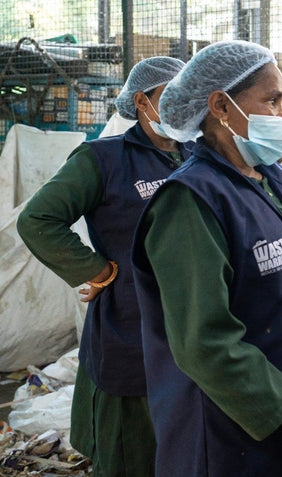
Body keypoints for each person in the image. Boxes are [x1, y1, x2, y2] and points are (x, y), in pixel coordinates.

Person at [130, 40, 282, 477]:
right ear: (221, 107)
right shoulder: (192, 199)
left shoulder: (275, 180)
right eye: (272, 100)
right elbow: (205, 342)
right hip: (241, 438)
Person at [17, 57, 187, 477]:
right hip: (131, 331)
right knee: (132, 453)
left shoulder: (196, 155)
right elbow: (37, 220)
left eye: (187, 96)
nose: (181, 107)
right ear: (141, 102)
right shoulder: (105, 159)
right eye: (170, 97)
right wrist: (96, 271)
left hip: (190, 331)